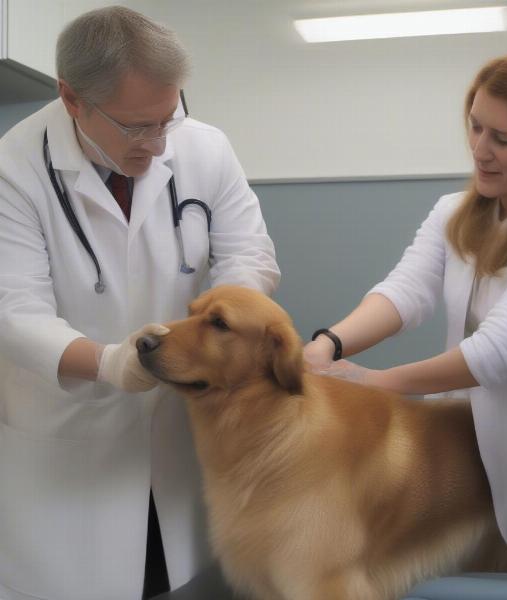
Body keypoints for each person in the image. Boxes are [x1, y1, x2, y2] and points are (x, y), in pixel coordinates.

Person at [0, 6, 279, 600]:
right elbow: (14, 312)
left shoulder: (206, 148)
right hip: (68, 444)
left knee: (189, 581)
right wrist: (111, 364)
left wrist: (220, 327)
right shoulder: (13, 170)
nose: (156, 144)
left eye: (167, 118)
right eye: (135, 127)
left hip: (188, 433)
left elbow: (249, 257)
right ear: (72, 98)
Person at [304, 47, 507, 571]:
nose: (481, 151)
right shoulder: (453, 214)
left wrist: (373, 384)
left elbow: (500, 350)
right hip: (500, 475)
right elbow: (404, 293)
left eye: (504, 140)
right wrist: (327, 346)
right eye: (475, 127)